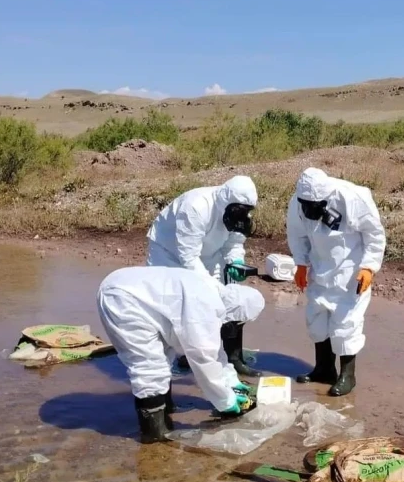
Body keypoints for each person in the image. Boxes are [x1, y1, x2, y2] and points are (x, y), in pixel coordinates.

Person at [97, 266, 265, 444]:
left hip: (131, 289)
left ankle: (165, 407)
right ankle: (154, 433)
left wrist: (232, 381)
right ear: (236, 313)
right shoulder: (204, 307)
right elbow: (204, 359)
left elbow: (215, 351)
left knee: (163, 354)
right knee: (148, 365)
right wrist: (226, 402)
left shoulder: (214, 293)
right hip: (123, 299)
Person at [146, 176, 260, 377]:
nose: (242, 215)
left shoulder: (239, 214)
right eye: (238, 210)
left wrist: (236, 262)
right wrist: (212, 288)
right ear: (227, 203)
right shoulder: (196, 206)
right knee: (176, 306)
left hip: (209, 254)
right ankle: (183, 358)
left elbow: (233, 243)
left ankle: (233, 358)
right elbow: (189, 258)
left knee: (228, 300)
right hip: (169, 254)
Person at [287, 167, 386, 396]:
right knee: (316, 319)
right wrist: (300, 263)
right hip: (320, 269)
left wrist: (369, 267)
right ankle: (323, 369)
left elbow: (374, 234)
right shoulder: (298, 201)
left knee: (345, 324)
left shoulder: (353, 197)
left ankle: (347, 376)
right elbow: (296, 233)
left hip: (350, 273)